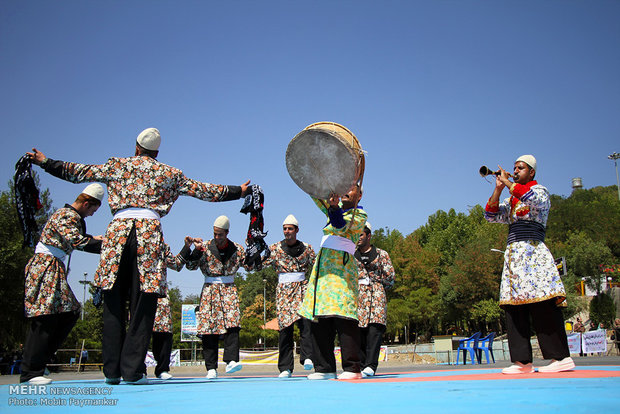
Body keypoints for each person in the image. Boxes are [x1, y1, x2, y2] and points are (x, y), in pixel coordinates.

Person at [27, 128, 250, 385]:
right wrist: (238, 191)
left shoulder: (117, 165)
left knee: (113, 300)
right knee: (143, 302)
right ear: (156, 153)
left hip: (118, 233)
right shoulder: (169, 173)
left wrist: (45, 163)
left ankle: (111, 371)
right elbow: (204, 190)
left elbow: (77, 171)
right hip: (148, 235)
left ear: (136, 148)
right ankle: (133, 371)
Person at [484, 154, 574, 374]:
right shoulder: (511, 199)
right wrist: (498, 188)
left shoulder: (540, 191)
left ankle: (560, 357)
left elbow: (532, 199)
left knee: (542, 303)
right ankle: (522, 361)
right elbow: (490, 215)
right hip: (514, 256)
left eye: (520, 168)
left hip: (533, 253)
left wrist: (508, 183)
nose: (515, 171)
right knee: (514, 307)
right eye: (514, 168)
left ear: (531, 172)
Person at [20, 183, 105, 384]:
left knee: (70, 312)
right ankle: (30, 372)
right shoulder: (68, 215)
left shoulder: (69, 217)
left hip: (53, 267)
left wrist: (94, 237)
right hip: (45, 266)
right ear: (86, 203)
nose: (92, 214)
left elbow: (74, 238)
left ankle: (40, 361)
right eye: (92, 210)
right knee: (45, 316)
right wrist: (108, 244)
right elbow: (77, 241)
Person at [299, 185, 367, 380]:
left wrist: (334, 207)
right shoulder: (332, 207)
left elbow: (339, 225)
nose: (347, 191)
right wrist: (313, 179)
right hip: (324, 272)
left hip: (342, 272)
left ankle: (352, 367)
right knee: (321, 318)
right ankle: (325, 368)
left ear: (360, 195)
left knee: (344, 317)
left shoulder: (360, 216)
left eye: (352, 188)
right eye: (344, 187)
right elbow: (316, 195)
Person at [186, 216, 248, 379]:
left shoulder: (238, 249)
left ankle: (231, 361)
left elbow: (250, 267)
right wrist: (196, 250)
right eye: (215, 234)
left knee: (233, 323)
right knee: (209, 327)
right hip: (210, 290)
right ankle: (211, 367)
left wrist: (254, 251)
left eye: (220, 234)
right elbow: (190, 266)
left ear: (227, 233)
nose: (217, 237)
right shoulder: (204, 247)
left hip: (229, 289)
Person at [261, 214, 317, 378]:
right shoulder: (275, 249)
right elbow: (260, 263)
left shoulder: (307, 248)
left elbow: (316, 266)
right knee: (285, 329)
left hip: (302, 288)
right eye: (285, 229)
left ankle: (307, 357)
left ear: (297, 230)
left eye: (290, 229)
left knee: (307, 324)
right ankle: (285, 367)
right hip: (284, 291)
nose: (287, 231)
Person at [354, 221, 395, 377]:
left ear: (369, 235)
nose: (358, 238)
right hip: (358, 296)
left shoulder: (381, 254)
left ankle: (371, 365)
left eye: (361, 234)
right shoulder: (351, 254)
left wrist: (376, 284)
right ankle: (362, 365)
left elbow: (390, 277)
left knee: (375, 330)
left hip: (376, 294)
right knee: (359, 331)